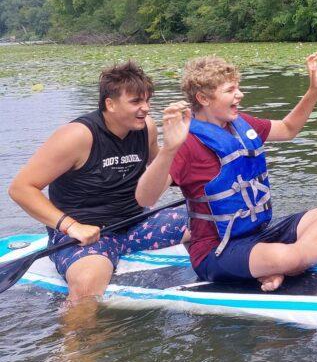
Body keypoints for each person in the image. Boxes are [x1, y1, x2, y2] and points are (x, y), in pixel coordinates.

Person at [136, 53, 317, 290]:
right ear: (203, 98)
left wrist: (314, 90)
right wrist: (168, 149)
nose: (240, 95)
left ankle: (291, 260)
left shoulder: (240, 125)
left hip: (260, 235)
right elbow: (145, 198)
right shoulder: (186, 143)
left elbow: (287, 129)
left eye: (237, 88)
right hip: (216, 251)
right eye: (230, 90)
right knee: (290, 258)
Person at [8, 61, 188, 305]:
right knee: (88, 285)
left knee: (214, 217)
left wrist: (178, 147)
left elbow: (164, 174)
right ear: (110, 104)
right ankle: (77, 341)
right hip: (87, 235)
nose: (145, 109)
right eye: (136, 102)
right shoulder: (77, 136)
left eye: (147, 101)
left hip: (136, 223)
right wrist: (72, 227)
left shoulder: (146, 128)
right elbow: (20, 188)